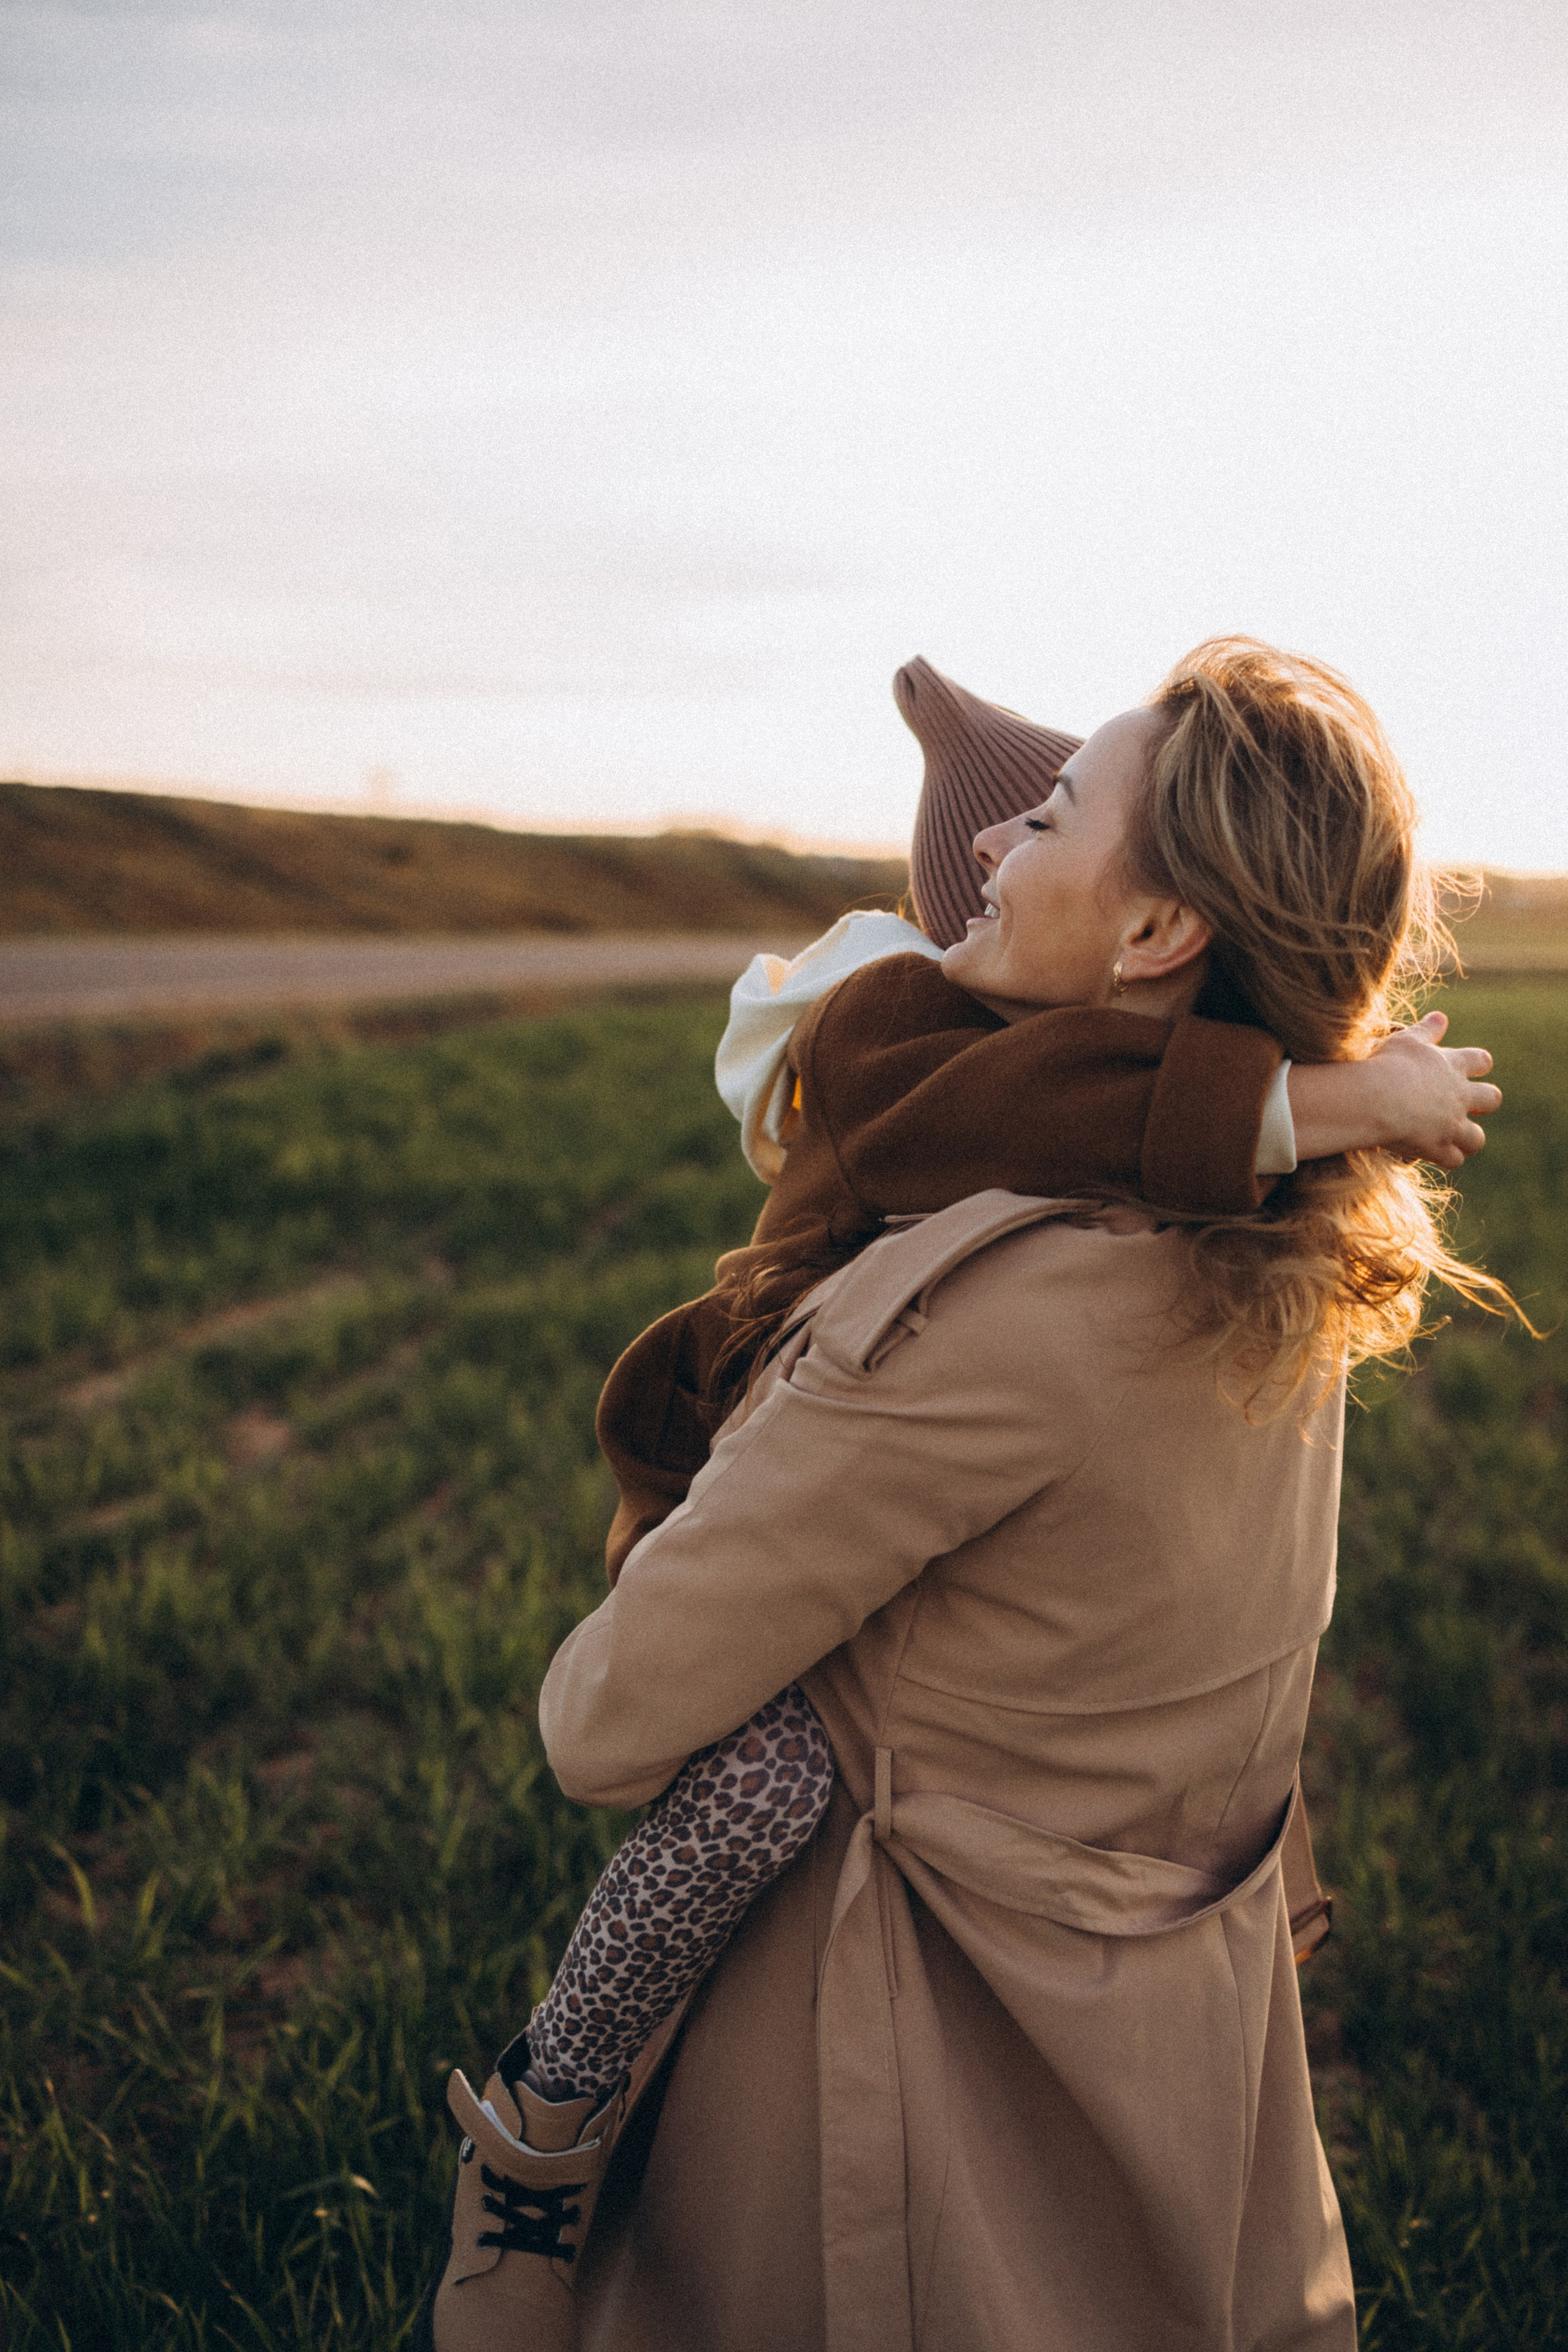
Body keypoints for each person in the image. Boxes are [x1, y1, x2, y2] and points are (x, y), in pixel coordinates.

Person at [419, 643, 1504, 2352]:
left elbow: (601, 1723)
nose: (990, 855)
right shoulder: (1280, 1268)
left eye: (1051, 818)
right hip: (1159, 2099)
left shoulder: (995, 1320)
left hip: (907, 2121)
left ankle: (534, 2146)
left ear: (1157, 938)